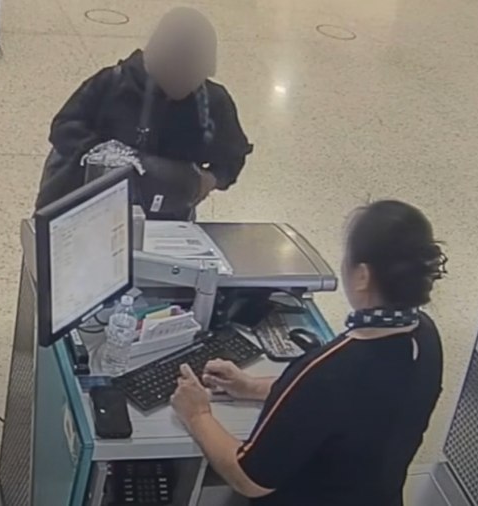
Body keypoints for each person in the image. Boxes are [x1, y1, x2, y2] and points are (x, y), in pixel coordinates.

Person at [171, 200, 447, 506]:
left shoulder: (332, 370)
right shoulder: (425, 335)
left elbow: (248, 477)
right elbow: (349, 407)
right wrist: (249, 387)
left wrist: (196, 413)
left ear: (362, 276)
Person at [35, 7, 252, 220]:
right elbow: (63, 127)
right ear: (154, 63)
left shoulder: (212, 102)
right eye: (175, 74)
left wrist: (211, 179)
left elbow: (233, 156)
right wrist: (106, 155)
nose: (184, 83)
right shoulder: (112, 85)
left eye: (194, 77)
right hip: (94, 211)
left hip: (166, 218)